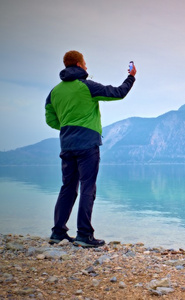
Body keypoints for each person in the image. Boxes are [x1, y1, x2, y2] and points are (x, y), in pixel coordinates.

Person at [45, 50, 136, 247]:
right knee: (88, 187)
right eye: (85, 63)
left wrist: (68, 126)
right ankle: (84, 234)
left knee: (67, 187)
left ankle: (58, 232)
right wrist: (131, 77)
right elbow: (118, 93)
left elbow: (50, 119)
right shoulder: (87, 86)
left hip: (67, 145)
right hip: (87, 145)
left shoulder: (54, 92)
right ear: (78, 65)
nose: (87, 67)